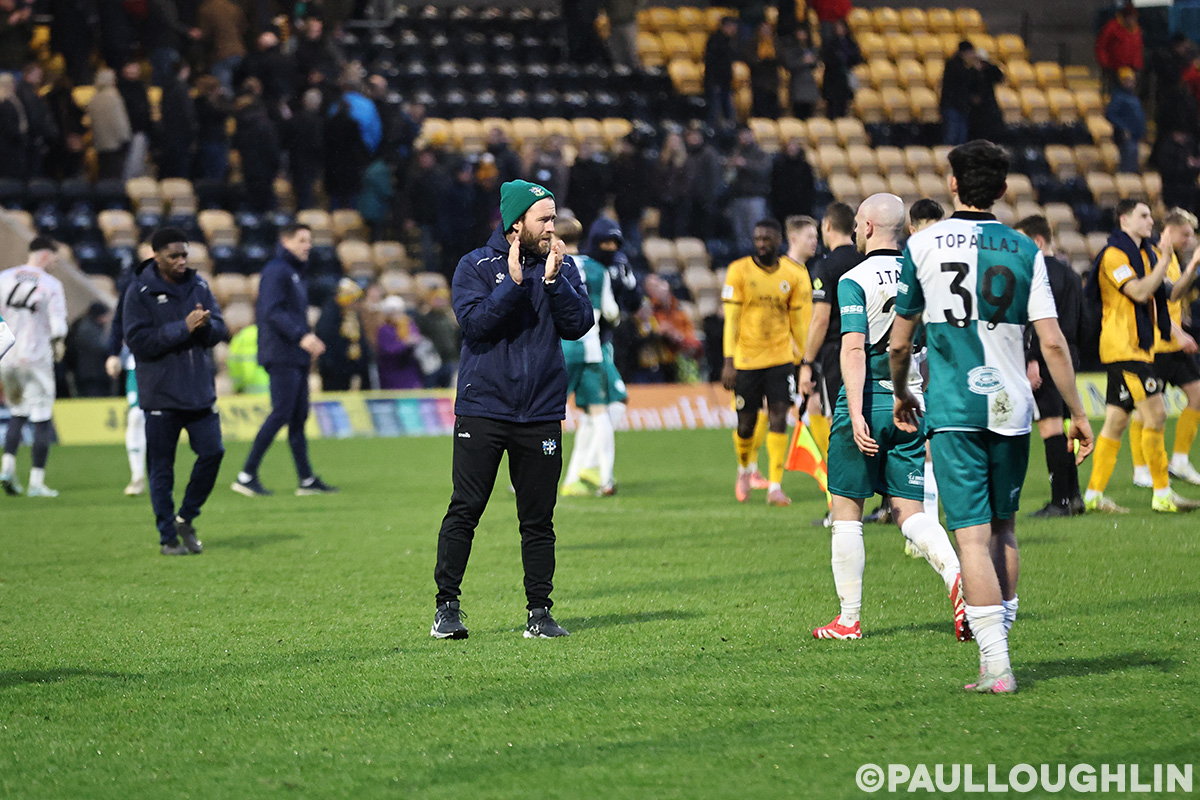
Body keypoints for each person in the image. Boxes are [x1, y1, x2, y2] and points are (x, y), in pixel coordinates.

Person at [890, 139, 1094, 693]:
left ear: (952, 184)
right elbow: (1053, 342)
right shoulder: (1025, 249)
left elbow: (900, 341)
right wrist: (1077, 412)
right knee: (1004, 528)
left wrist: (904, 392)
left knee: (972, 539)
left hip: (954, 408)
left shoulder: (922, 244)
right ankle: (998, 648)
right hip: (1011, 407)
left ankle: (997, 666)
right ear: (1003, 190)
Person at [431, 180, 593, 641]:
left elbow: (580, 324)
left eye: (553, 218)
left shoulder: (562, 266)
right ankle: (446, 609)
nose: (552, 227)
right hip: (483, 409)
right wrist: (514, 285)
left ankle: (539, 614)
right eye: (544, 219)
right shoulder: (475, 265)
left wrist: (554, 282)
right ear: (516, 223)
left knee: (538, 520)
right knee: (466, 509)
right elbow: (474, 326)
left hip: (540, 412)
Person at [813, 193, 968, 642]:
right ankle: (957, 575)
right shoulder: (921, 275)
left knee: (846, 511)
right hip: (910, 402)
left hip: (868, 399)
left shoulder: (853, 278)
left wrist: (854, 411)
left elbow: (853, 348)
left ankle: (848, 620)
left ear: (866, 228)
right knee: (909, 512)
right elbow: (934, 347)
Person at [1084, 199, 1199, 513]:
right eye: (1143, 215)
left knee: (1116, 421)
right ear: (1124, 220)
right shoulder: (1114, 255)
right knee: (1156, 414)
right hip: (1124, 348)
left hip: (1139, 348)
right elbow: (1137, 291)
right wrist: (1165, 259)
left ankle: (1093, 495)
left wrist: (1187, 266)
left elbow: (1168, 294)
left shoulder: (1146, 255)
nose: (1151, 221)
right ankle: (1162, 494)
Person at [122, 229, 228, 555]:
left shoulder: (199, 285)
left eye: (185, 255)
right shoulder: (139, 292)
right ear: (156, 256)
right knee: (161, 469)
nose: (182, 261)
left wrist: (207, 326)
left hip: (199, 391)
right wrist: (184, 327)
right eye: (174, 256)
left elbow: (220, 329)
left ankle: (186, 517)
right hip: (161, 395)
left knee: (213, 452)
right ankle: (168, 538)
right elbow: (138, 341)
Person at [232, 224, 338, 497]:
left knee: (297, 417)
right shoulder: (277, 270)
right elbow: (272, 311)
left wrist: (304, 338)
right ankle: (246, 475)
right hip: (281, 353)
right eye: (302, 240)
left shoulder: (292, 272)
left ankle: (306, 479)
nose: (307, 245)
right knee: (281, 412)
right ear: (285, 241)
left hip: (293, 353)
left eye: (309, 240)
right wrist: (302, 335)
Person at [721, 218, 811, 506]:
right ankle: (744, 468)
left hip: (780, 357)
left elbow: (798, 323)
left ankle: (775, 485)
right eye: (758, 239)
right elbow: (731, 321)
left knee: (779, 417)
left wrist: (805, 359)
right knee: (746, 425)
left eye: (767, 239)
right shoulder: (739, 270)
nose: (761, 244)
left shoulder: (791, 275)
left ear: (779, 240)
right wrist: (728, 360)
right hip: (746, 359)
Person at [1014, 215, 1086, 517]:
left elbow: (1037, 321)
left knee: (1051, 427)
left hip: (1045, 357)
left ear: (1037, 241)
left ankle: (1059, 502)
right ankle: (1074, 496)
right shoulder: (1070, 273)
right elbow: (1084, 320)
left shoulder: (1038, 271)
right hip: (1069, 355)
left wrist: (1031, 358)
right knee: (1066, 425)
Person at [1130, 209, 1200, 487]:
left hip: (1173, 345)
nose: (1189, 240)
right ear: (1169, 231)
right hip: (1155, 346)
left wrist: (1193, 266)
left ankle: (1179, 461)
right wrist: (1179, 333)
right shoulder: (1152, 259)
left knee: (1197, 396)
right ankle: (1140, 470)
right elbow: (1153, 306)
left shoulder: (1172, 260)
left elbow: (1174, 295)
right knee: (1145, 411)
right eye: (1186, 234)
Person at [558, 215, 623, 498]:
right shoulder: (598, 269)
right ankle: (605, 478)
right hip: (592, 348)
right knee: (599, 413)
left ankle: (522, 478)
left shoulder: (552, 265)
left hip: (560, 349)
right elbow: (612, 312)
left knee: (543, 414)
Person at [0, 237, 67, 498]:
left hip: (7, 357)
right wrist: (59, 343)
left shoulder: (4, 278)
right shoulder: (51, 284)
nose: (55, 265)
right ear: (45, 255)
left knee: (17, 412)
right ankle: (37, 483)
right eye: (55, 260)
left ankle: (7, 468)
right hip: (36, 358)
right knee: (41, 416)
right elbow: (58, 325)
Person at [799, 202, 863, 460]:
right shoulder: (866, 259)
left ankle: (842, 478)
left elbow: (820, 320)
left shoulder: (825, 267)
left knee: (838, 420)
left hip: (837, 353)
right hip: (868, 346)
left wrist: (807, 362)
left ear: (827, 225)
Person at [1095, 1, 1143, 92]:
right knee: (1115, 92)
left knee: (1130, 92)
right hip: (1114, 69)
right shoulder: (1112, 27)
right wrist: (1105, 64)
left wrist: (1137, 65)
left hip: (1132, 69)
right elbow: (1101, 47)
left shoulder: (1136, 30)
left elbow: (1138, 49)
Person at [1106, 67, 1146, 174]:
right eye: (1127, 80)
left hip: (1135, 135)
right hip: (1126, 136)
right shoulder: (1118, 97)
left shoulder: (1133, 97)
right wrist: (1123, 128)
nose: (1130, 83)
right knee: (1127, 165)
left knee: (1133, 164)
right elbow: (1110, 114)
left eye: (1132, 80)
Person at [703, 17, 739, 129]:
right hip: (716, 82)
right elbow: (712, 64)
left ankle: (729, 129)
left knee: (727, 109)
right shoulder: (715, 41)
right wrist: (714, 82)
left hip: (725, 82)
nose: (734, 30)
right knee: (715, 109)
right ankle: (711, 130)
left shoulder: (729, 41)